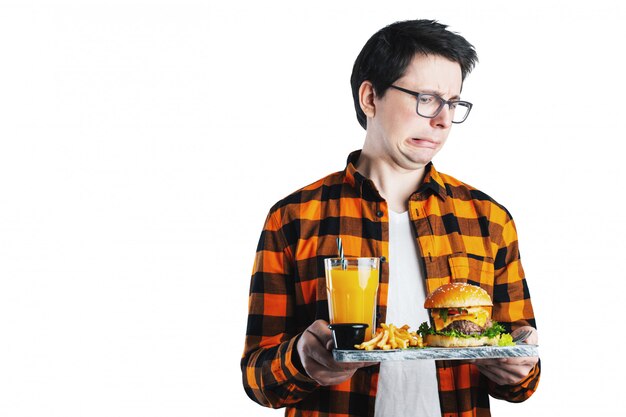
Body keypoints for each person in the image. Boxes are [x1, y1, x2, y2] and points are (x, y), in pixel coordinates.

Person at [241, 19, 540, 417]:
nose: (443, 120)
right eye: (427, 98)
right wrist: (300, 359)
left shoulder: (489, 220)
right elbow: (258, 379)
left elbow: (523, 379)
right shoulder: (294, 218)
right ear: (370, 98)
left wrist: (520, 368)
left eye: (453, 103)